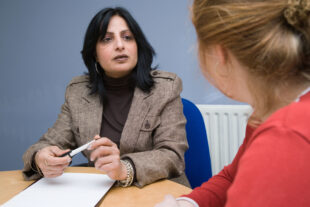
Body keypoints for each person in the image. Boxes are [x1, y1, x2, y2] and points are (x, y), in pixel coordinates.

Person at [155, 0, 310, 206]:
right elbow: (231, 177)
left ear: (220, 54)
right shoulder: (266, 114)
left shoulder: (283, 137)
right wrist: (189, 203)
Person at [22, 7, 189, 188]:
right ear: (94, 53)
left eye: (127, 37)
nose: (120, 45)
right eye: (107, 39)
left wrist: (125, 168)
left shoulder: (165, 88)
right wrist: (40, 158)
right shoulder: (78, 92)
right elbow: (49, 143)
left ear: (137, 46)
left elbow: (172, 155)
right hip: (101, 192)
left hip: (156, 190)